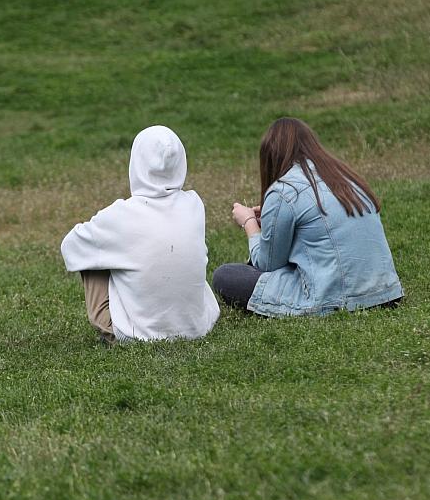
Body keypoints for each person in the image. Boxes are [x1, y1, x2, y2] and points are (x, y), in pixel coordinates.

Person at [213, 117, 403, 316]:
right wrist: (272, 218)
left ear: (271, 156)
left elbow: (266, 264)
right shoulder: (344, 176)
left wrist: (249, 222)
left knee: (226, 276)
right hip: (386, 294)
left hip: (337, 299)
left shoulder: (285, 190)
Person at [61, 125, 220, 343]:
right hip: (198, 326)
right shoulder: (194, 203)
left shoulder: (120, 215)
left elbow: (71, 246)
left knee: (93, 252)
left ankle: (114, 327)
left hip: (138, 334)